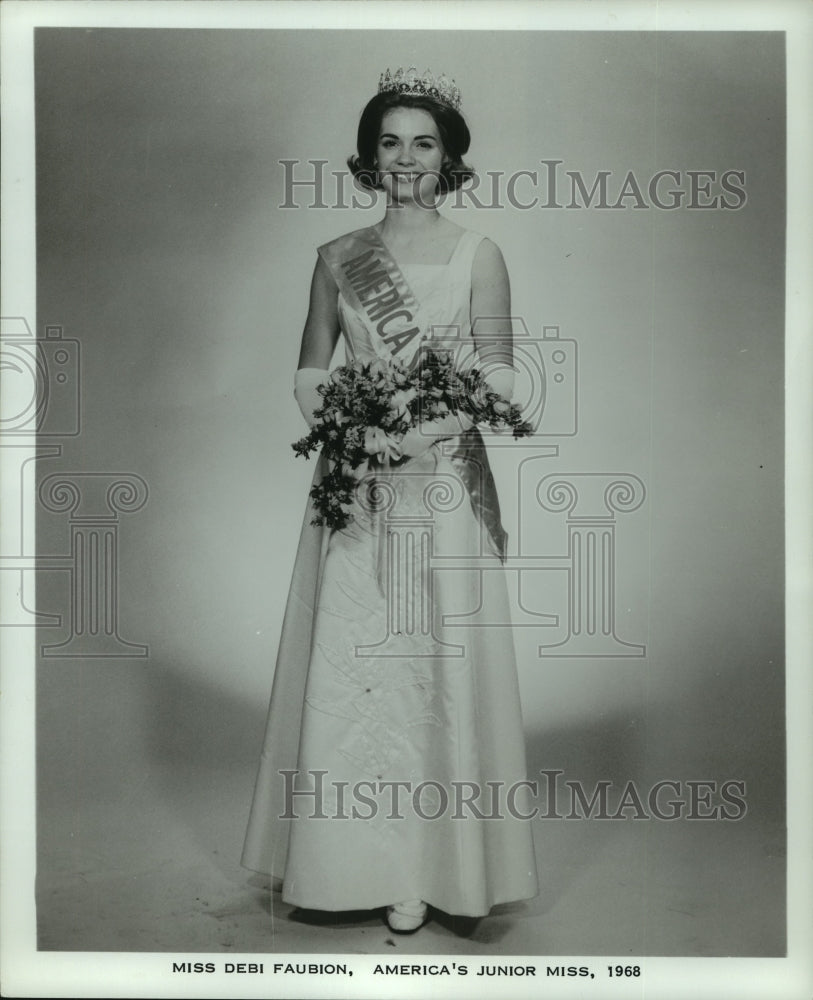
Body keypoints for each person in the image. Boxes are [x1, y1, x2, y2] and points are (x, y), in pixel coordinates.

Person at [242, 67, 538, 934]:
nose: (405, 156)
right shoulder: (339, 258)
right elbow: (309, 370)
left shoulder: (479, 252)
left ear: (448, 158)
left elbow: (498, 370)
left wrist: (429, 430)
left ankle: (435, 871)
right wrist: (362, 433)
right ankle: (343, 867)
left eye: (423, 142)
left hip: (441, 485)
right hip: (359, 485)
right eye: (388, 141)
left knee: (436, 670)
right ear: (367, 158)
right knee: (357, 670)